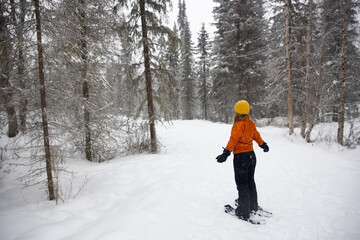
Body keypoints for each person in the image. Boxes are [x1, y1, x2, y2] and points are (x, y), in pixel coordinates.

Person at [216, 100, 269, 221]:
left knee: (242, 184)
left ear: (237, 112)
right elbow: (256, 136)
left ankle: (244, 211)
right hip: (251, 156)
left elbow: (233, 140)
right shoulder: (250, 123)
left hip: (241, 157)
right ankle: (252, 205)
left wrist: (226, 153)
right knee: (250, 181)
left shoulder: (238, 125)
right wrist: (263, 145)